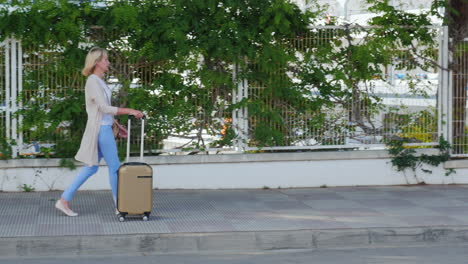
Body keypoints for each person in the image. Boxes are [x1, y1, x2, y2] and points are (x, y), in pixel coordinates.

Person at [55, 47, 144, 217]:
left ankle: (64, 200)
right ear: (96, 62)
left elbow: (102, 111)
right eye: (105, 60)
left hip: (104, 128)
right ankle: (120, 205)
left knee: (92, 168)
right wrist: (130, 111)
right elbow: (103, 108)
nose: (108, 62)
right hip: (101, 131)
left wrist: (116, 124)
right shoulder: (92, 81)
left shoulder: (100, 81)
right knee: (115, 167)